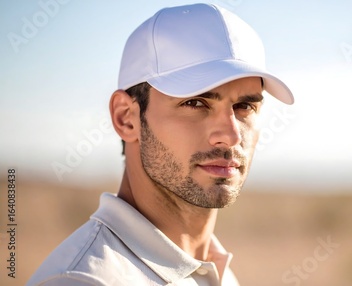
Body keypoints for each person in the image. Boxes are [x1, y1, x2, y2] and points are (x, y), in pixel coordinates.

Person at [28, 3, 293, 285]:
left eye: (244, 106)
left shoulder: (218, 273)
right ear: (126, 118)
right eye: (195, 103)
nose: (230, 136)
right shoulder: (83, 280)